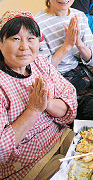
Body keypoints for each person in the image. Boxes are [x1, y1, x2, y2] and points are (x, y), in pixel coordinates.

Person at [0, 10, 77, 180]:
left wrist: (47, 103)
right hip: (27, 164)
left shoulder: (40, 63)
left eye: (31, 38)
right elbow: (1, 149)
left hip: (60, 137)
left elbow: (70, 99)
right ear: (0, 43)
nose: (24, 47)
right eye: (15, 39)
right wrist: (34, 109)